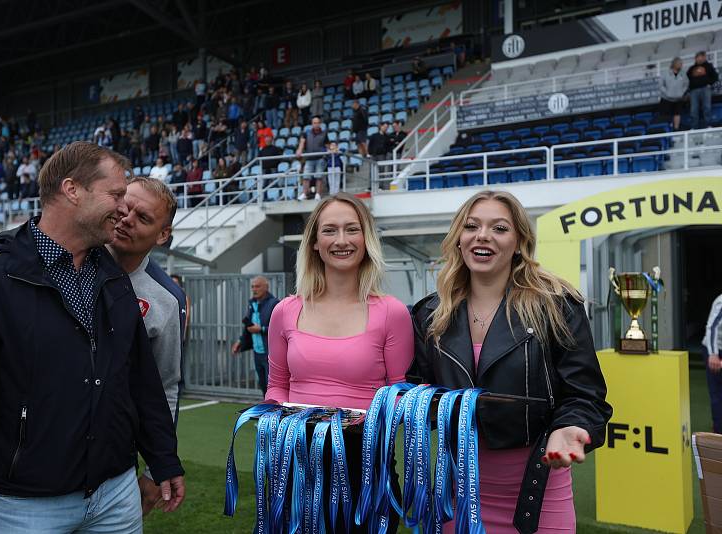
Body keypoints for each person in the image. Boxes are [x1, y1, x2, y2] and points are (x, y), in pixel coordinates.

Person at [0, 142, 185, 534]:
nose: (123, 208)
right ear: (72, 190)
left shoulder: (115, 280)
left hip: (115, 496)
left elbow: (142, 382)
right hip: (22, 507)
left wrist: (162, 458)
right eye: (116, 195)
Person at [411, 190, 612, 533]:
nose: (483, 235)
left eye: (500, 228)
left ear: (519, 242)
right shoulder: (430, 314)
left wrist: (570, 427)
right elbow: (419, 390)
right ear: (459, 239)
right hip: (456, 501)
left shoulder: (558, 306)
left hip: (537, 497)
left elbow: (585, 395)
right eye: (472, 226)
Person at [266, 192, 413, 532]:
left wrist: (362, 425)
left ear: (366, 240)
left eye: (352, 230)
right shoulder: (285, 311)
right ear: (314, 243)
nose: (342, 241)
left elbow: (398, 394)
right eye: (330, 230)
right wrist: (274, 418)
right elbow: (276, 385)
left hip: (366, 466)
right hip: (296, 461)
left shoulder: (392, 312)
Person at [109, 177, 188, 517]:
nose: (127, 219)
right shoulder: (71, 260)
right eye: (124, 208)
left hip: (113, 462)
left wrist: (157, 467)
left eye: (143, 218)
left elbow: (166, 385)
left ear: (163, 235)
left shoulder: (166, 300)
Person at [232, 276, 280, 395]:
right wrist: (240, 341)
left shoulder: (275, 304)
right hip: (257, 353)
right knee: (263, 385)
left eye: (257, 286)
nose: (254, 289)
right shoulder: (252, 303)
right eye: (252, 286)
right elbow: (248, 326)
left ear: (266, 287)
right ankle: (267, 409)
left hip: (271, 354)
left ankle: (275, 410)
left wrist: (261, 329)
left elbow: (280, 329)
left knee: (273, 387)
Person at [296, 116, 329, 200]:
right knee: (306, 176)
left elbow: (327, 144)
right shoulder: (306, 133)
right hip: (309, 158)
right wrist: (299, 150)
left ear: (320, 124)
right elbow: (302, 142)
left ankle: (318, 194)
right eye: (314, 123)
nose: (316, 124)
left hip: (320, 158)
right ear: (312, 124)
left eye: (318, 123)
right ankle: (304, 194)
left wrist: (331, 150)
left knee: (319, 176)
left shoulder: (324, 133)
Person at [704, 292, 722, 433]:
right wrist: (713, 354)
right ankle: (718, 433)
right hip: (715, 350)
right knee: (717, 395)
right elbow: (712, 327)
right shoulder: (721, 301)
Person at [687, 51, 719, 129]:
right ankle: (694, 127)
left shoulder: (709, 66)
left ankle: (708, 125)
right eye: (698, 57)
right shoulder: (691, 68)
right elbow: (686, 79)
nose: (700, 59)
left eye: (701, 57)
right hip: (693, 91)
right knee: (694, 109)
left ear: (704, 57)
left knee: (707, 107)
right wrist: (689, 89)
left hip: (705, 89)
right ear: (696, 58)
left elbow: (715, 77)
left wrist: (709, 83)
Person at [659, 57, 689, 130]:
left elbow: (686, 84)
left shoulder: (683, 74)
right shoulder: (665, 73)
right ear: (674, 64)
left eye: (681, 64)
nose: (681, 65)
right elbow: (661, 85)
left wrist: (682, 92)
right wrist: (667, 93)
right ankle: (667, 129)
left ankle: (676, 129)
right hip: (666, 99)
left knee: (677, 114)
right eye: (680, 63)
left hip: (678, 99)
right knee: (666, 116)